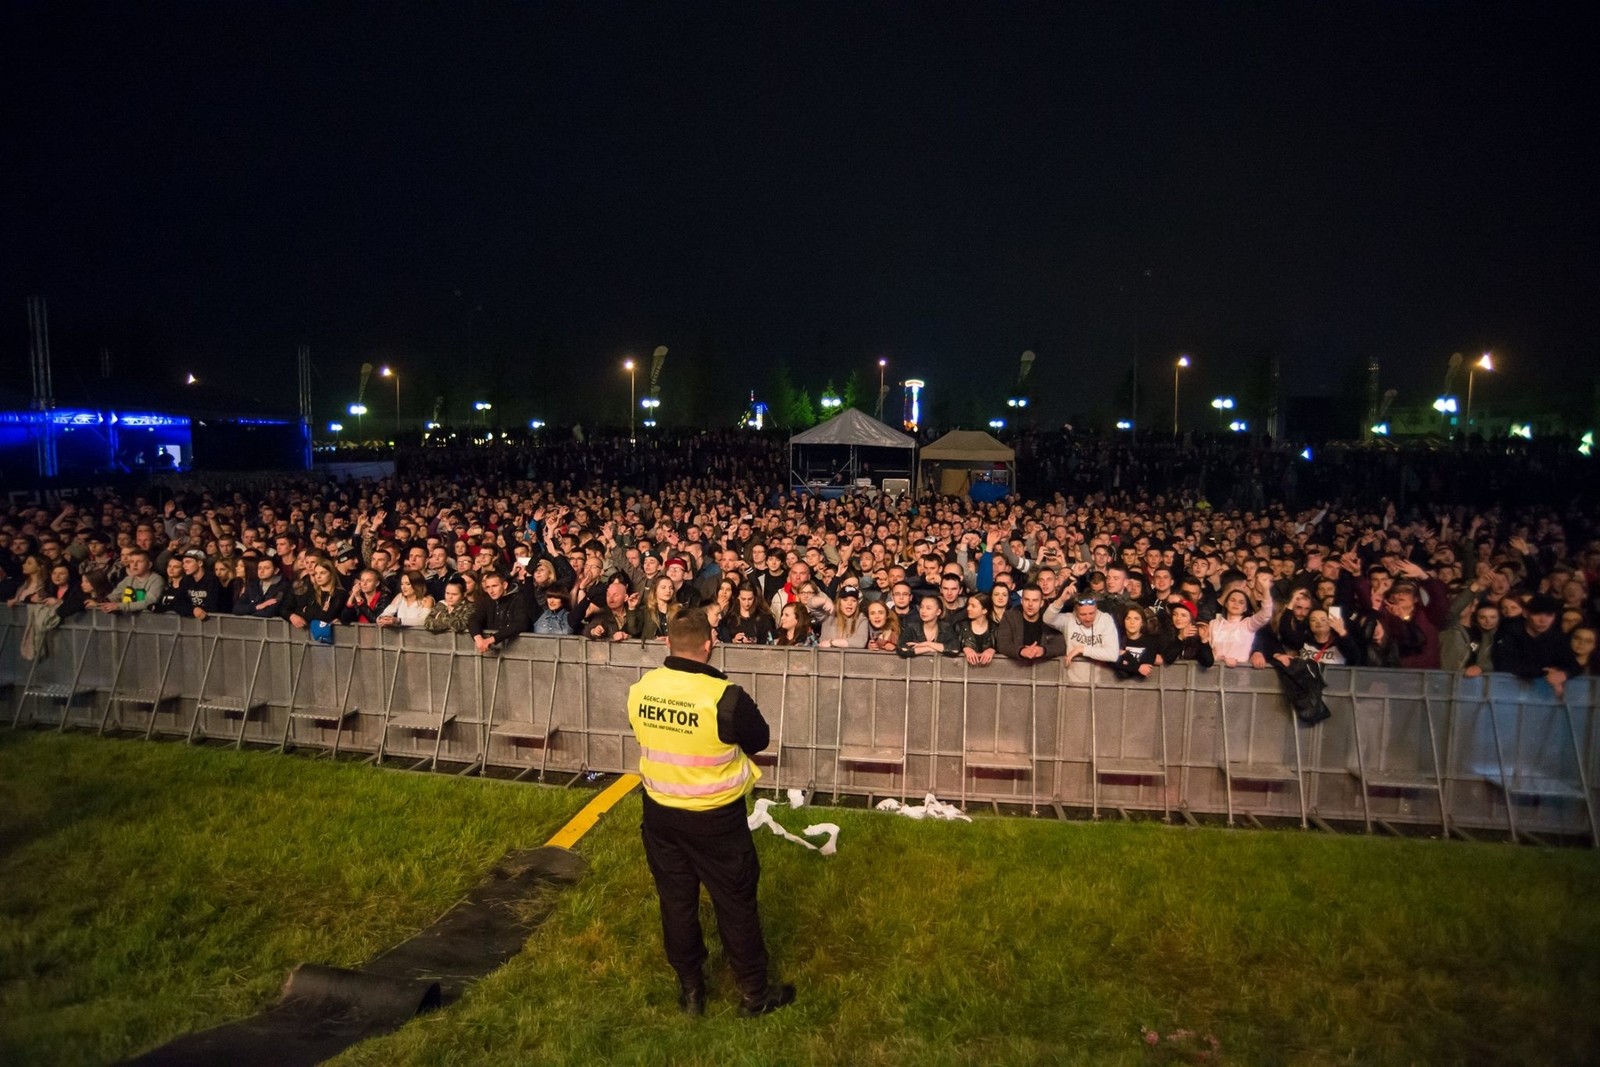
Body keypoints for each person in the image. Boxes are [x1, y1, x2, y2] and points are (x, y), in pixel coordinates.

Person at [627, 609, 794, 1017]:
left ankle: (691, 991)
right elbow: (759, 739)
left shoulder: (642, 689)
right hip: (716, 819)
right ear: (710, 643)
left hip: (661, 813)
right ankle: (754, 994)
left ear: (668, 642)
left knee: (676, 903)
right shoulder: (726, 697)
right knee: (736, 904)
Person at [817, 584, 868, 649]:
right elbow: (811, 605)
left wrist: (831, 643)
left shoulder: (861, 619)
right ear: (839, 602)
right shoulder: (828, 615)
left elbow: (860, 642)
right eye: (845, 600)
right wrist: (825, 601)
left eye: (854, 600)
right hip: (825, 655)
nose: (849, 603)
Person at [955, 593, 998, 666]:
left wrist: (992, 650)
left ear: (984, 610)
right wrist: (965, 649)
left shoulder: (995, 628)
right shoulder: (960, 626)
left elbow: (1003, 648)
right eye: (968, 605)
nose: (968, 608)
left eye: (973, 606)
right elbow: (952, 647)